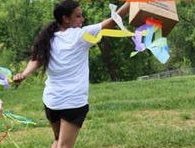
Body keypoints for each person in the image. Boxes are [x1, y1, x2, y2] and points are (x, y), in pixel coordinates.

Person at [13, 1, 129, 147]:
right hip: (72, 103)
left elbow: (36, 60)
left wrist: (24, 74)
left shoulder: (49, 37)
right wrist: (132, 4)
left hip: (52, 102)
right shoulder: (81, 36)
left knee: (57, 141)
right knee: (64, 145)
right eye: (78, 16)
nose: (83, 19)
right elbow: (113, 21)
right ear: (66, 18)